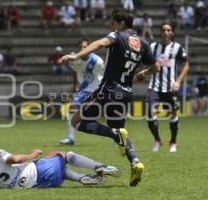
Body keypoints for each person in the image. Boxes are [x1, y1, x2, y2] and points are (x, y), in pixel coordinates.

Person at [59, 8, 160, 186]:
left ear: (121, 24)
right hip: (126, 94)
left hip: (108, 90)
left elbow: (98, 44)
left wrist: (76, 55)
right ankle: (136, 161)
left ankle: (114, 133)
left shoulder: (117, 36)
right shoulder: (144, 43)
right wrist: (144, 72)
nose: (111, 26)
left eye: (113, 23)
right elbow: (156, 67)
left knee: (77, 121)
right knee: (121, 135)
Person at [0, 141, 121, 189]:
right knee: (62, 154)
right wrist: (31, 155)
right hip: (40, 171)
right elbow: (13, 159)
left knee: (61, 172)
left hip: (40, 185)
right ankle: (99, 166)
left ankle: (81, 179)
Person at [146, 22, 189, 153]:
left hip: (171, 88)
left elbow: (186, 65)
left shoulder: (177, 47)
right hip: (154, 86)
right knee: (150, 112)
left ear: (172, 33)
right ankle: (157, 140)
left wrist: (178, 81)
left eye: (169, 30)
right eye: (164, 30)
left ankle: (173, 142)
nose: (166, 32)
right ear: (160, 32)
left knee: (173, 114)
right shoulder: (152, 47)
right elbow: (147, 64)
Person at [60, 37, 104, 145]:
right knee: (72, 108)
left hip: (98, 88)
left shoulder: (97, 61)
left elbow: (104, 75)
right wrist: (75, 86)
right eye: (80, 47)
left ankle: (116, 135)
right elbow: (75, 72)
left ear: (89, 47)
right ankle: (71, 138)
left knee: (108, 112)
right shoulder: (75, 60)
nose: (82, 48)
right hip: (84, 89)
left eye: (85, 46)